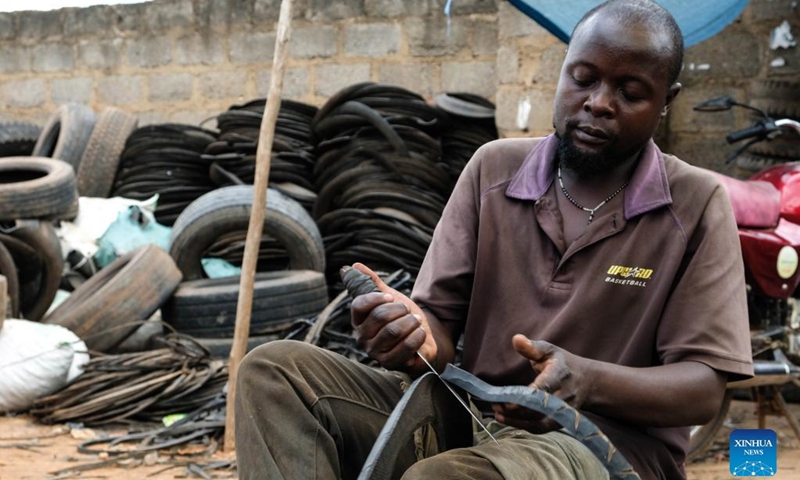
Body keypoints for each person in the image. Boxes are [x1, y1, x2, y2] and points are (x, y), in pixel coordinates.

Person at [234, 1, 753, 478]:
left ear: (667, 101)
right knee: (274, 376)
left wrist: (584, 382)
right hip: (469, 413)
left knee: (445, 477)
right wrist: (406, 330)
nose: (598, 103)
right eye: (583, 79)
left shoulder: (694, 203)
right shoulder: (493, 169)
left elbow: (703, 388)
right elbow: (436, 330)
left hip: (606, 447)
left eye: (630, 92)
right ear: (563, 70)